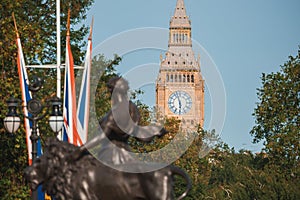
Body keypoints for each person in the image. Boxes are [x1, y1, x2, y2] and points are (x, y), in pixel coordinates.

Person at [74, 76, 167, 165]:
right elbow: (136, 133)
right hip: (126, 154)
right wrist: (153, 131)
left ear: (112, 90)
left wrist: (80, 149)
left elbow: (102, 136)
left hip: (110, 155)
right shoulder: (132, 108)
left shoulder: (116, 111)